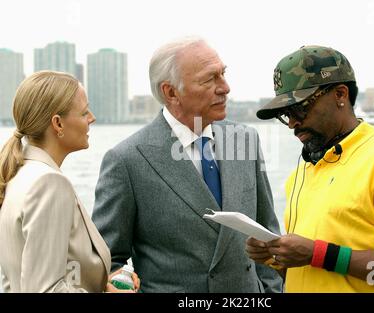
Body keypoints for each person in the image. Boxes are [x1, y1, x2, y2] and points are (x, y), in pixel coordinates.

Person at [92, 37, 283, 293]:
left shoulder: (245, 140)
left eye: (223, 74)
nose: (225, 88)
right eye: (209, 79)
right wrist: (121, 279)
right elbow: (105, 261)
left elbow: (268, 237)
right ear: (170, 92)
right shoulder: (126, 161)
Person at [247, 45, 374, 292]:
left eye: (299, 108)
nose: (292, 123)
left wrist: (317, 254)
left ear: (340, 95)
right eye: (284, 114)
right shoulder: (302, 172)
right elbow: (306, 268)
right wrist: (273, 256)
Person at [0, 71, 139, 293]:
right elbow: (45, 289)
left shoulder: (18, 173)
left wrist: (101, 285)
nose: (92, 118)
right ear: (58, 123)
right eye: (84, 112)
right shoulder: (49, 183)